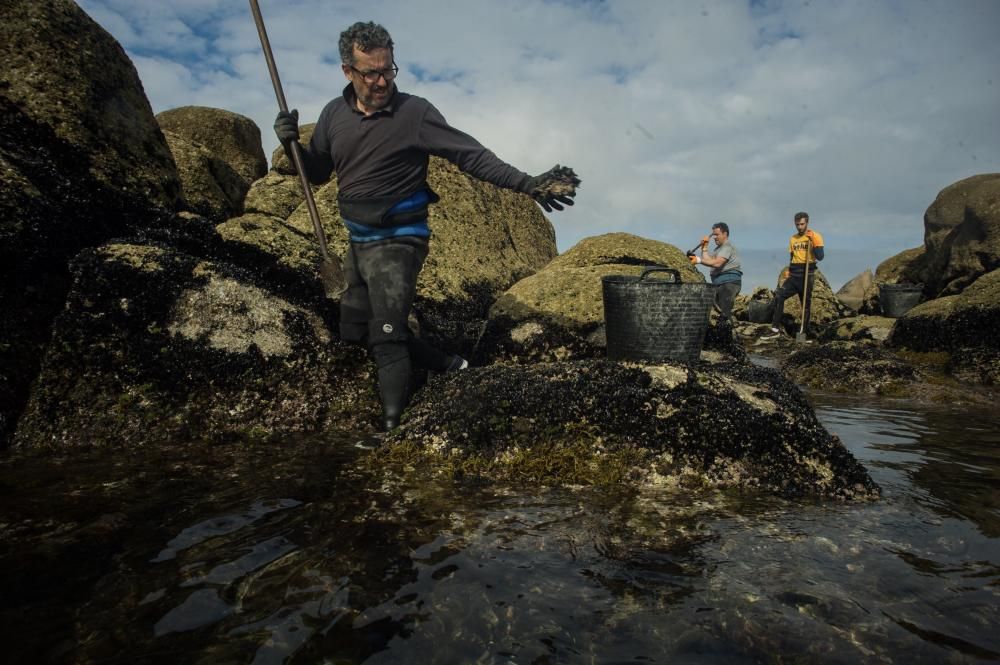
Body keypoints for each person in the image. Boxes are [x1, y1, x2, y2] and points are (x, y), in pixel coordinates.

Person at [273, 21, 580, 431]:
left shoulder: (414, 113)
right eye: (371, 73)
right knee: (355, 331)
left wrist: (528, 184)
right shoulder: (333, 115)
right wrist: (291, 144)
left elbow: (471, 155)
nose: (382, 81)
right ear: (348, 71)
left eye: (388, 70)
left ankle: (391, 432)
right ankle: (445, 363)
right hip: (357, 242)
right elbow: (316, 173)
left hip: (400, 240)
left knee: (385, 338)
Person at [764, 212, 824, 337]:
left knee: (805, 304)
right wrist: (789, 270)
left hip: (807, 274)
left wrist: (812, 239)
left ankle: (803, 331)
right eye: (797, 224)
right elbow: (792, 257)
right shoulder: (793, 238)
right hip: (794, 275)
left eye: (802, 224)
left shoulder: (815, 236)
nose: (800, 227)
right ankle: (775, 329)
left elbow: (820, 256)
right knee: (779, 296)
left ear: (807, 223)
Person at [688, 222, 742, 324]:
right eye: (713, 235)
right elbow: (708, 260)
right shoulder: (719, 249)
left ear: (725, 234)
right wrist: (704, 247)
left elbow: (717, 263)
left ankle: (728, 336)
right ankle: (723, 333)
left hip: (729, 284)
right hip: (719, 284)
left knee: (724, 313)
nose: (714, 237)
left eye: (717, 234)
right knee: (718, 312)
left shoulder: (727, 247)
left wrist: (698, 260)